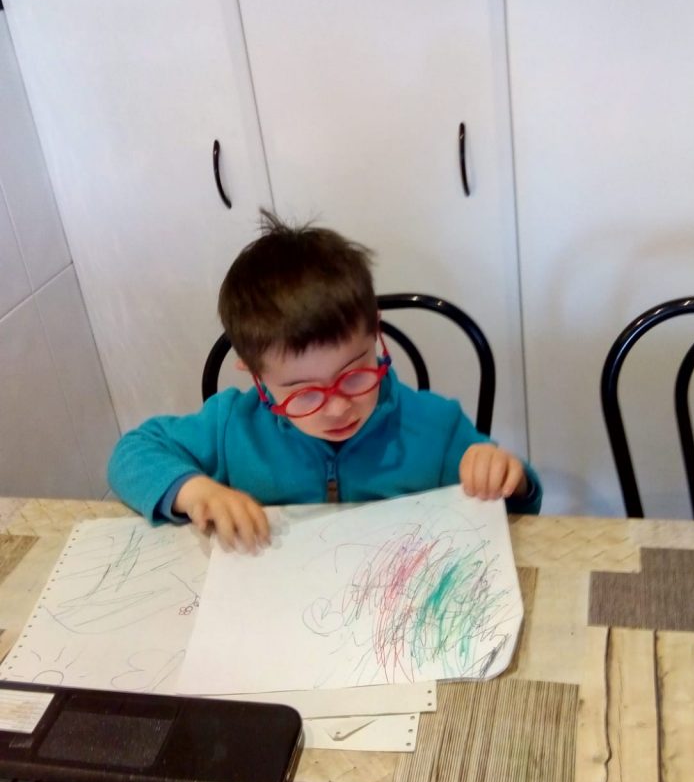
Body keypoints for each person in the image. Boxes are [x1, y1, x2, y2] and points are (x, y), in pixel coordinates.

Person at [108, 212, 542, 548]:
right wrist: (195, 491)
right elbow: (131, 454)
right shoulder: (231, 426)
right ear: (255, 375)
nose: (337, 408)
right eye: (303, 392)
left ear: (376, 333)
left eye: (354, 376)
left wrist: (509, 476)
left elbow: (521, 508)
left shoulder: (436, 427)